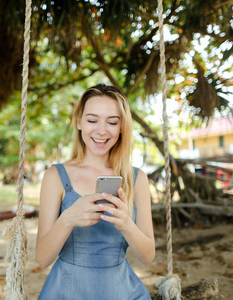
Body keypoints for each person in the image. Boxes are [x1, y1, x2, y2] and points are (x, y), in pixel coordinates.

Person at [36, 84, 155, 299]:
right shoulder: (55, 176)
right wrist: (68, 219)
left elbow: (147, 256)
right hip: (66, 290)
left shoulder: (136, 179)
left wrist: (126, 224)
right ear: (79, 122)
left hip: (122, 291)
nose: (102, 131)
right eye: (92, 120)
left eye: (112, 122)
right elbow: (43, 259)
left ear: (122, 128)